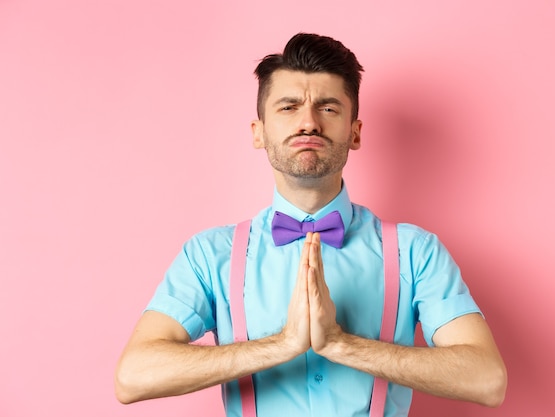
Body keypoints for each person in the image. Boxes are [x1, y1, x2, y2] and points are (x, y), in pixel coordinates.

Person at [115, 33, 507, 416]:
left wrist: (341, 344)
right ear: (259, 132)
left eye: (329, 108)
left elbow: (487, 380)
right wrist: (282, 344)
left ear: (354, 133)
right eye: (288, 107)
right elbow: (134, 377)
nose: (309, 123)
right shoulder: (209, 254)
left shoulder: (415, 251)